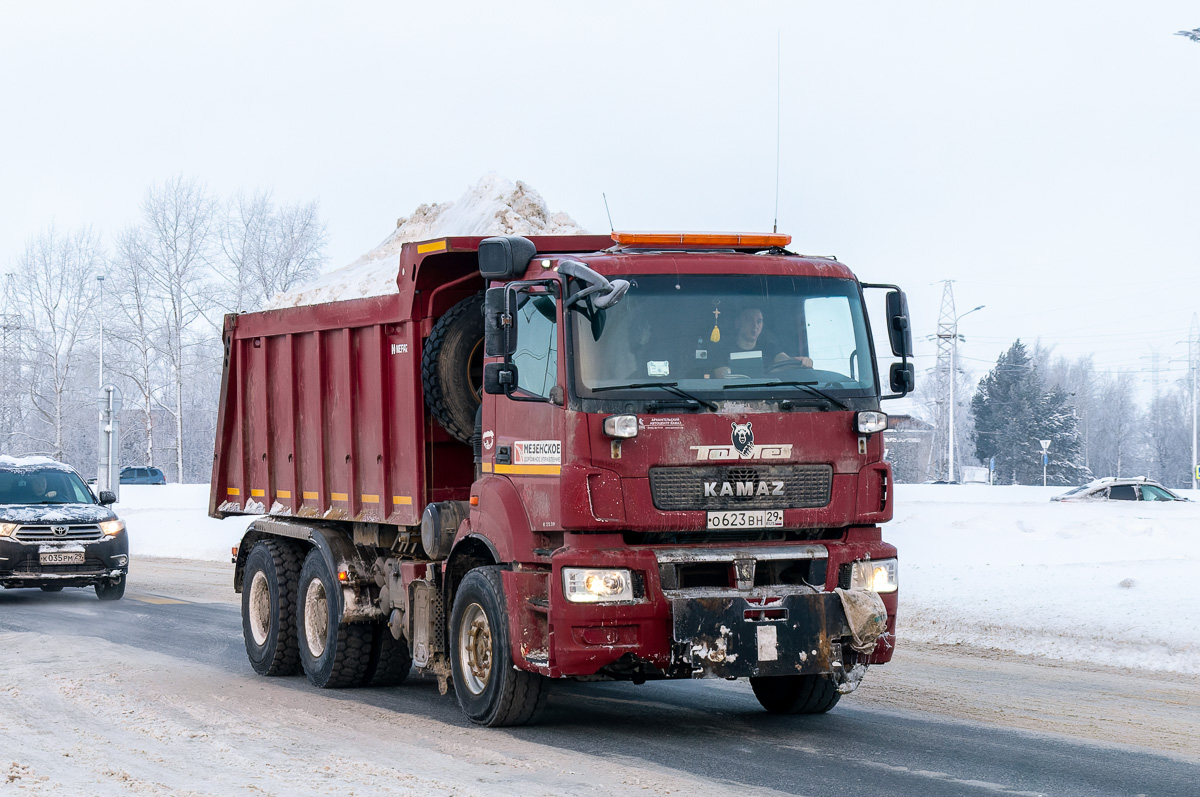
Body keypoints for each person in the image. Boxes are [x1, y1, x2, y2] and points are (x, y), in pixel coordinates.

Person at [711, 307, 813, 377]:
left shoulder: (769, 347)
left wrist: (800, 361)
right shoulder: (723, 351)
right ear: (738, 323)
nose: (755, 326)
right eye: (749, 320)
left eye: (759, 321)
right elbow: (722, 377)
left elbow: (783, 359)